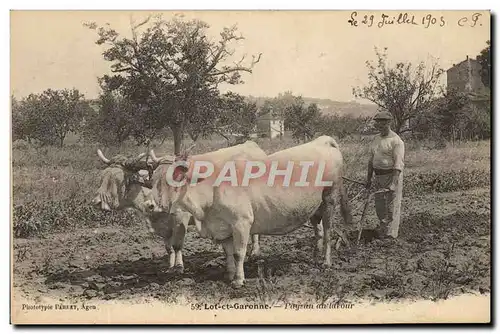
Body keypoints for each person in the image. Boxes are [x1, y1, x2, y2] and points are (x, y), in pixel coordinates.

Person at [366, 111, 405, 239]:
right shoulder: (376, 139)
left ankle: (390, 236)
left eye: (383, 123)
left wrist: (393, 183)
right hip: (378, 176)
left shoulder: (396, 141)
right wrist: (368, 179)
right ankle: (383, 231)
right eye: (378, 123)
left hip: (391, 175)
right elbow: (371, 160)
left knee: (391, 206)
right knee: (380, 206)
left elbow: (398, 164)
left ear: (389, 123)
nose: (380, 126)